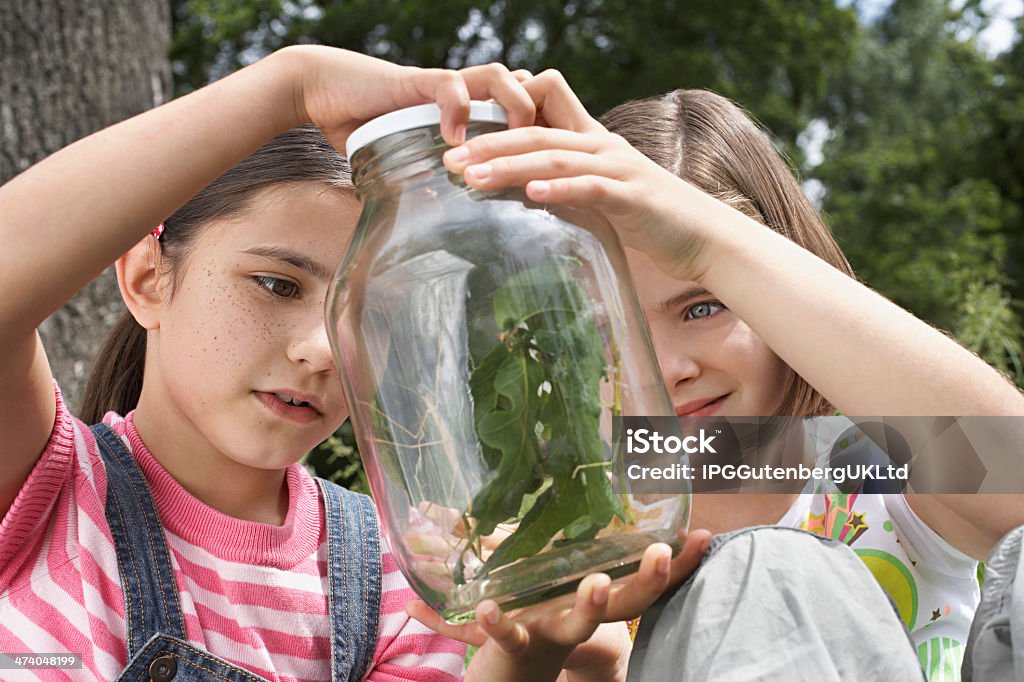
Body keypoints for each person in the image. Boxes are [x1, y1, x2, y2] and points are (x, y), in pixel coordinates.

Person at [0, 46, 709, 682]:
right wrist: (291, 84)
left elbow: (806, 454)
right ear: (149, 279)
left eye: (359, 313)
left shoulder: (395, 578)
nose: (320, 347)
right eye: (277, 284)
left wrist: (526, 659)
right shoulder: (47, 489)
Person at [430, 73, 1024, 680]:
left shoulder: (878, 475)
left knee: (768, 567)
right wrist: (536, 653)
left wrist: (711, 244)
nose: (666, 371)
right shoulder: (588, 536)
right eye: (608, 330)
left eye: (703, 306)